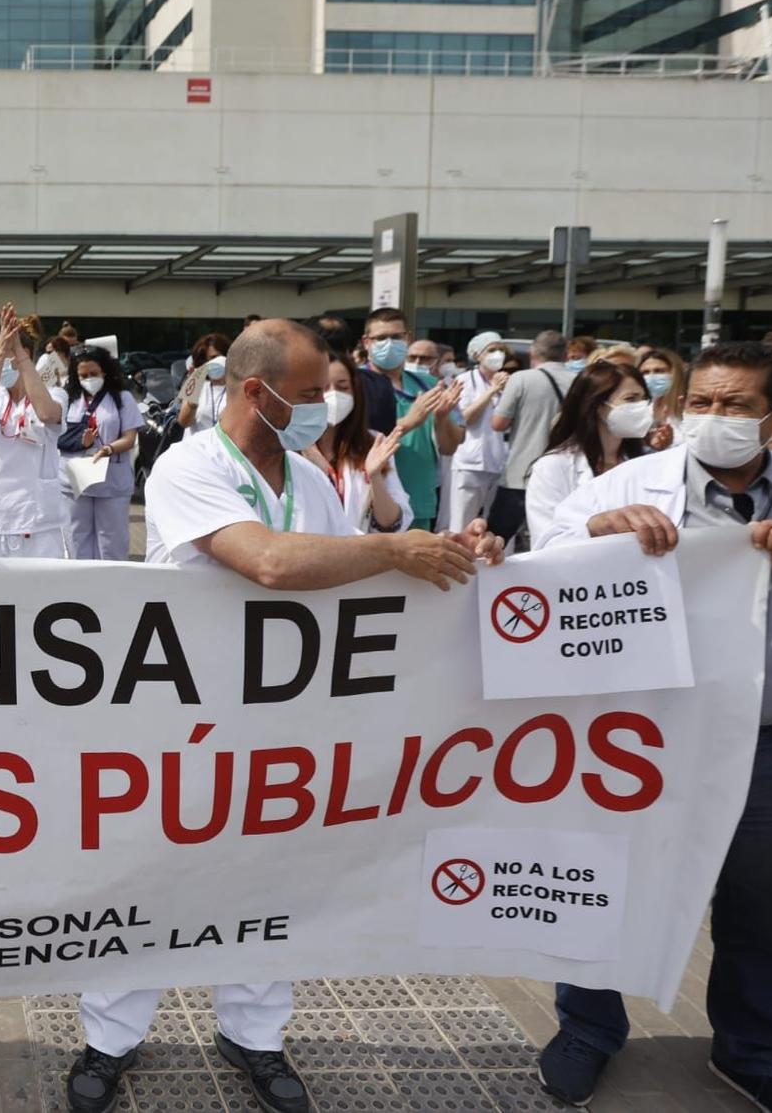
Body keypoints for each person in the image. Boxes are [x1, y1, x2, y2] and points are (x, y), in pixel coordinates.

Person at [66, 319, 498, 1113]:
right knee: (155, 880)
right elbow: (266, 560)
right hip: (186, 728)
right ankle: (110, 1038)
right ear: (256, 393)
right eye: (308, 394)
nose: (326, 406)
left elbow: (350, 574)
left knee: (272, 882)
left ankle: (255, 1034)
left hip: (289, 726)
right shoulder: (187, 468)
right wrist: (397, 551)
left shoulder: (307, 474)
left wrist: (457, 555)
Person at [532, 340, 772, 1113]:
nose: (714, 418)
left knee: (765, 913)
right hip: (645, 742)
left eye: (736, 406)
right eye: (702, 403)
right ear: (677, 408)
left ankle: (754, 1052)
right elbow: (541, 571)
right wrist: (599, 538)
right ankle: (587, 1028)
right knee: (610, 892)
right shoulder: (628, 486)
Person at [0, 303, 68, 558]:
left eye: (3, 353)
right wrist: (0, 353)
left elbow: (47, 414)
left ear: (25, 355)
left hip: (38, 524)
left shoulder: (54, 393)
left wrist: (18, 355)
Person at [358, 308, 461, 529]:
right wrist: (408, 422)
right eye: (381, 338)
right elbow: (354, 439)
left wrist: (442, 419)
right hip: (374, 499)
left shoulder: (428, 384)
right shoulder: (356, 384)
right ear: (366, 342)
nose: (389, 343)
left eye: (396, 337)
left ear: (408, 338)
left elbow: (449, 448)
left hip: (419, 499)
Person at [525, 362, 652, 540]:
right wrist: (593, 529)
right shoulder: (552, 467)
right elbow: (546, 541)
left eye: (644, 399)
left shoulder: (643, 463)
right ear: (599, 406)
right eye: (631, 399)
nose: (642, 407)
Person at [490, 331, 578, 546]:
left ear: (532, 353)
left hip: (520, 472)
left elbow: (498, 424)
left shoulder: (521, 379)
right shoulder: (579, 381)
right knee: (555, 541)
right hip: (565, 473)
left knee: (496, 538)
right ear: (566, 354)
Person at [60, 346, 141, 560]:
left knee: (112, 541)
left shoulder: (123, 398)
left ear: (105, 371)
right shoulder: (69, 399)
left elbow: (130, 438)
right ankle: (80, 588)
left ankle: (111, 588)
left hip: (111, 478)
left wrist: (109, 448)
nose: (89, 379)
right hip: (76, 479)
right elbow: (58, 435)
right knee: (76, 539)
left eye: (94, 374)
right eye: (83, 375)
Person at [316, 351, 412, 532]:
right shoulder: (291, 448)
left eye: (343, 387)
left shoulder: (373, 443)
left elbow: (390, 524)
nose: (333, 396)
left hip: (359, 556)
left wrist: (375, 476)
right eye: (323, 388)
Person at [449, 331, 511, 530]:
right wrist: (492, 390)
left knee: (494, 525)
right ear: (477, 355)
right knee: (462, 523)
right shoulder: (464, 381)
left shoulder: (509, 383)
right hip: (470, 464)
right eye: (491, 350)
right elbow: (465, 418)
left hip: (500, 462)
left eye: (501, 350)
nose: (498, 354)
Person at [174, 333, 230, 433]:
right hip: (196, 446)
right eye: (209, 359)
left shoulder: (237, 388)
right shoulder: (196, 384)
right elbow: (184, 423)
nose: (213, 362)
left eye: (216, 357)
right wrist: (192, 402)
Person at [640, 347, 688, 448]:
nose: (651, 377)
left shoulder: (687, 408)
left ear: (675, 373)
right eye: (645, 372)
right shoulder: (642, 409)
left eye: (659, 371)